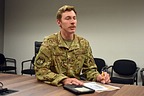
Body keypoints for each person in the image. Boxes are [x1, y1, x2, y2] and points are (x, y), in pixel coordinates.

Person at [34, 5, 110, 86]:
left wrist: (99, 77)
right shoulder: (49, 42)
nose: (73, 21)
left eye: (74, 18)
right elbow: (40, 70)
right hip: (55, 87)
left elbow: (89, 70)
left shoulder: (83, 43)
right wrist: (63, 80)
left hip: (75, 86)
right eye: (68, 18)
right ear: (59, 22)